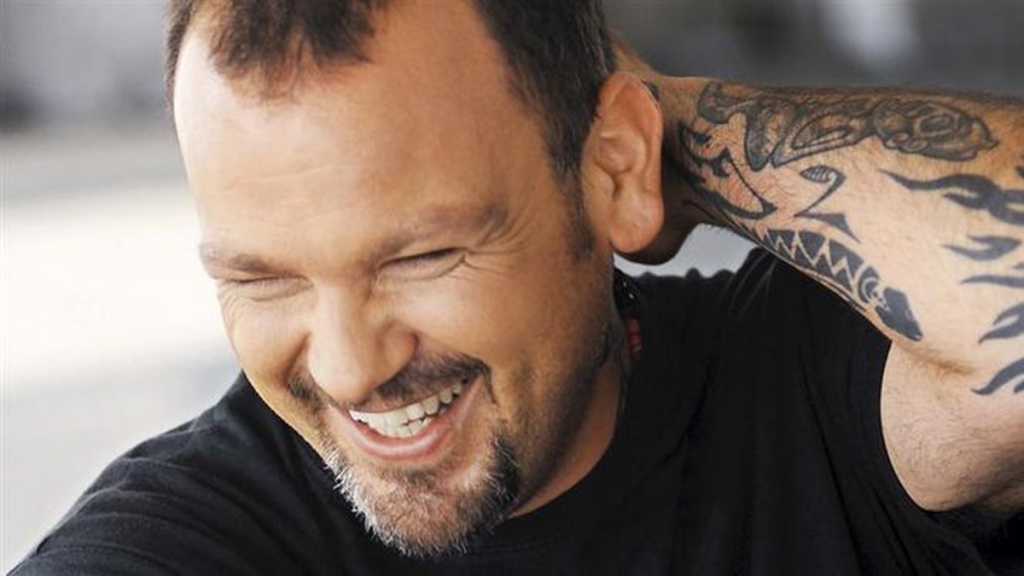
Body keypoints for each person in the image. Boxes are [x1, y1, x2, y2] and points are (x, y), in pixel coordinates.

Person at [12, 1, 1023, 574]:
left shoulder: (808, 393)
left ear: (614, 165)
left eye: (420, 258)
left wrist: (653, 135)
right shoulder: (195, 534)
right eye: (262, 279)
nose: (350, 368)